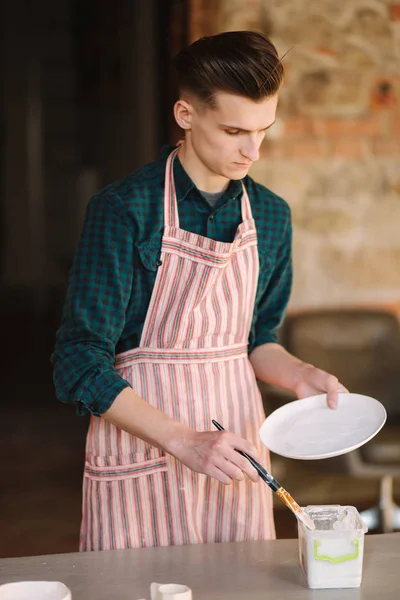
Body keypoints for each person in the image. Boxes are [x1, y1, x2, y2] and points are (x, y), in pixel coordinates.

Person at [52, 30, 347, 551]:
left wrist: (299, 374)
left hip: (235, 450)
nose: (252, 151)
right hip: (139, 451)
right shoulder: (124, 210)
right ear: (185, 115)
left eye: (263, 131)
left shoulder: (272, 217)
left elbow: (257, 339)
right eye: (234, 130)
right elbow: (78, 362)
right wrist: (182, 440)